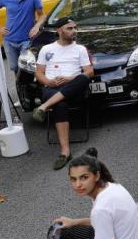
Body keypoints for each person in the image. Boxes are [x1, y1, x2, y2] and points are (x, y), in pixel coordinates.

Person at [31, 18, 94, 170]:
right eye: (70, 28)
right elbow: (38, 73)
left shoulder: (80, 49)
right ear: (59, 30)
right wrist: (48, 81)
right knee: (60, 104)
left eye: (75, 28)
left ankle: (43, 107)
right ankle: (65, 152)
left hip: (73, 88)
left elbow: (89, 72)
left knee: (83, 78)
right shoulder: (46, 49)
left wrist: (68, 78)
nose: (74, 31)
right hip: (51, 88)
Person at [0, 0, 46, 73]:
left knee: (27, 69)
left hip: (27, 40)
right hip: (9, 41)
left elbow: (42, 15)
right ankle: (18, 83)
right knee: (14, 68)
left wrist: (36, 27)